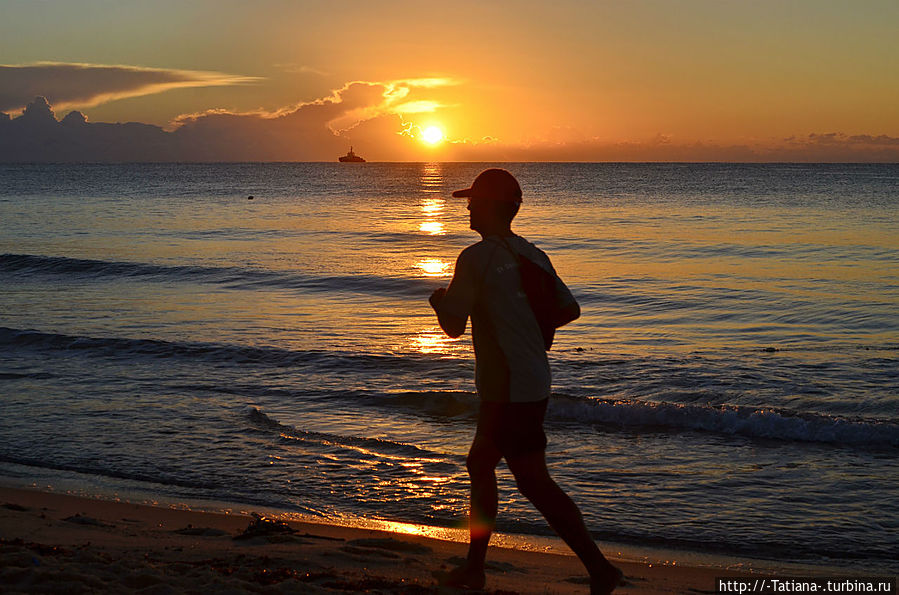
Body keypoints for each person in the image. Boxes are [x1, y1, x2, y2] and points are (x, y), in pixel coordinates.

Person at [429, 169, 623, 594]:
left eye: (473, 201)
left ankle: (600, 568)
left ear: (492, 207)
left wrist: (437, 301)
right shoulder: (532, 254)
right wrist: (526, 325)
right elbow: (569, 309)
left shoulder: (475, 258)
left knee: (532, 481)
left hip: (509, 387)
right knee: (481, 464)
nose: (467, 207)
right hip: (531, 379)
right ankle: (475, 568)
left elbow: (453, 327)